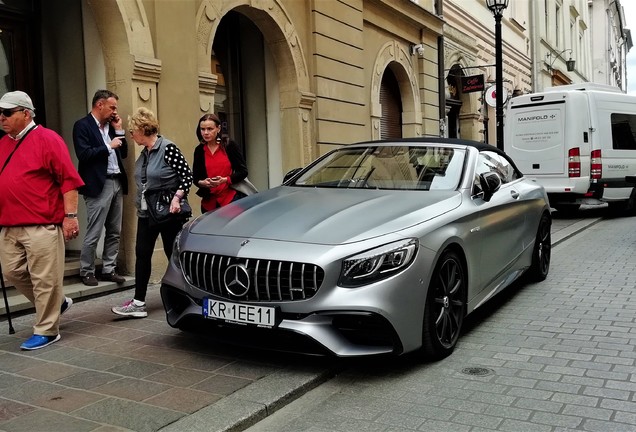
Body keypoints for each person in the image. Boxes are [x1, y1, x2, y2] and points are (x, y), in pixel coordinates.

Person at [0, 90, 84, 350]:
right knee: (11, 271)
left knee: (44, 279)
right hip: (8, 223)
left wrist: (70, 217)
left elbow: (68, 181)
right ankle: (57, 303)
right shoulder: (3, 143)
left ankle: (47, 329)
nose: (1, 117)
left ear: (26, 114)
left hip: (41, 223)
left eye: (7, 112)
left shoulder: (48, 139)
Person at [111, 107, 192, 318]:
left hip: (167, 212)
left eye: (132, 131)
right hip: (147, 213)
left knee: (172, 254)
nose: (131, 135)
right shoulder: (145, 153)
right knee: (142, 253)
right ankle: (138, 303)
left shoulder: (168, 148)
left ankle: (188, 296)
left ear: (142, 129)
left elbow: (186, 176)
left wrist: (177, 198)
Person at [73, 89, 128, 287]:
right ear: (100, 105)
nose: (115, 111)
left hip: (116, 181)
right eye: (112, 107)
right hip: (98, 183)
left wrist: (120, 130)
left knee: (114, 230)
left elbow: (125, 153)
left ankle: (108, 269)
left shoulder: (112, 127)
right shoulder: (82, 125)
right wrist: (108, 147)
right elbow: (84, 154)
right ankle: (86, 270)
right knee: (95, 229)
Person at [192, 113, 248, 212]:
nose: (205, 133)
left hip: (231, 199)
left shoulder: (229, 145)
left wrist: (225, 180)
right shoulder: (199, 150)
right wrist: (202, 183)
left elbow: (243, 171)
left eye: (210, 129)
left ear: (218, 129)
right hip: (209, 203)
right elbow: (196, 177)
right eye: (203, 129)